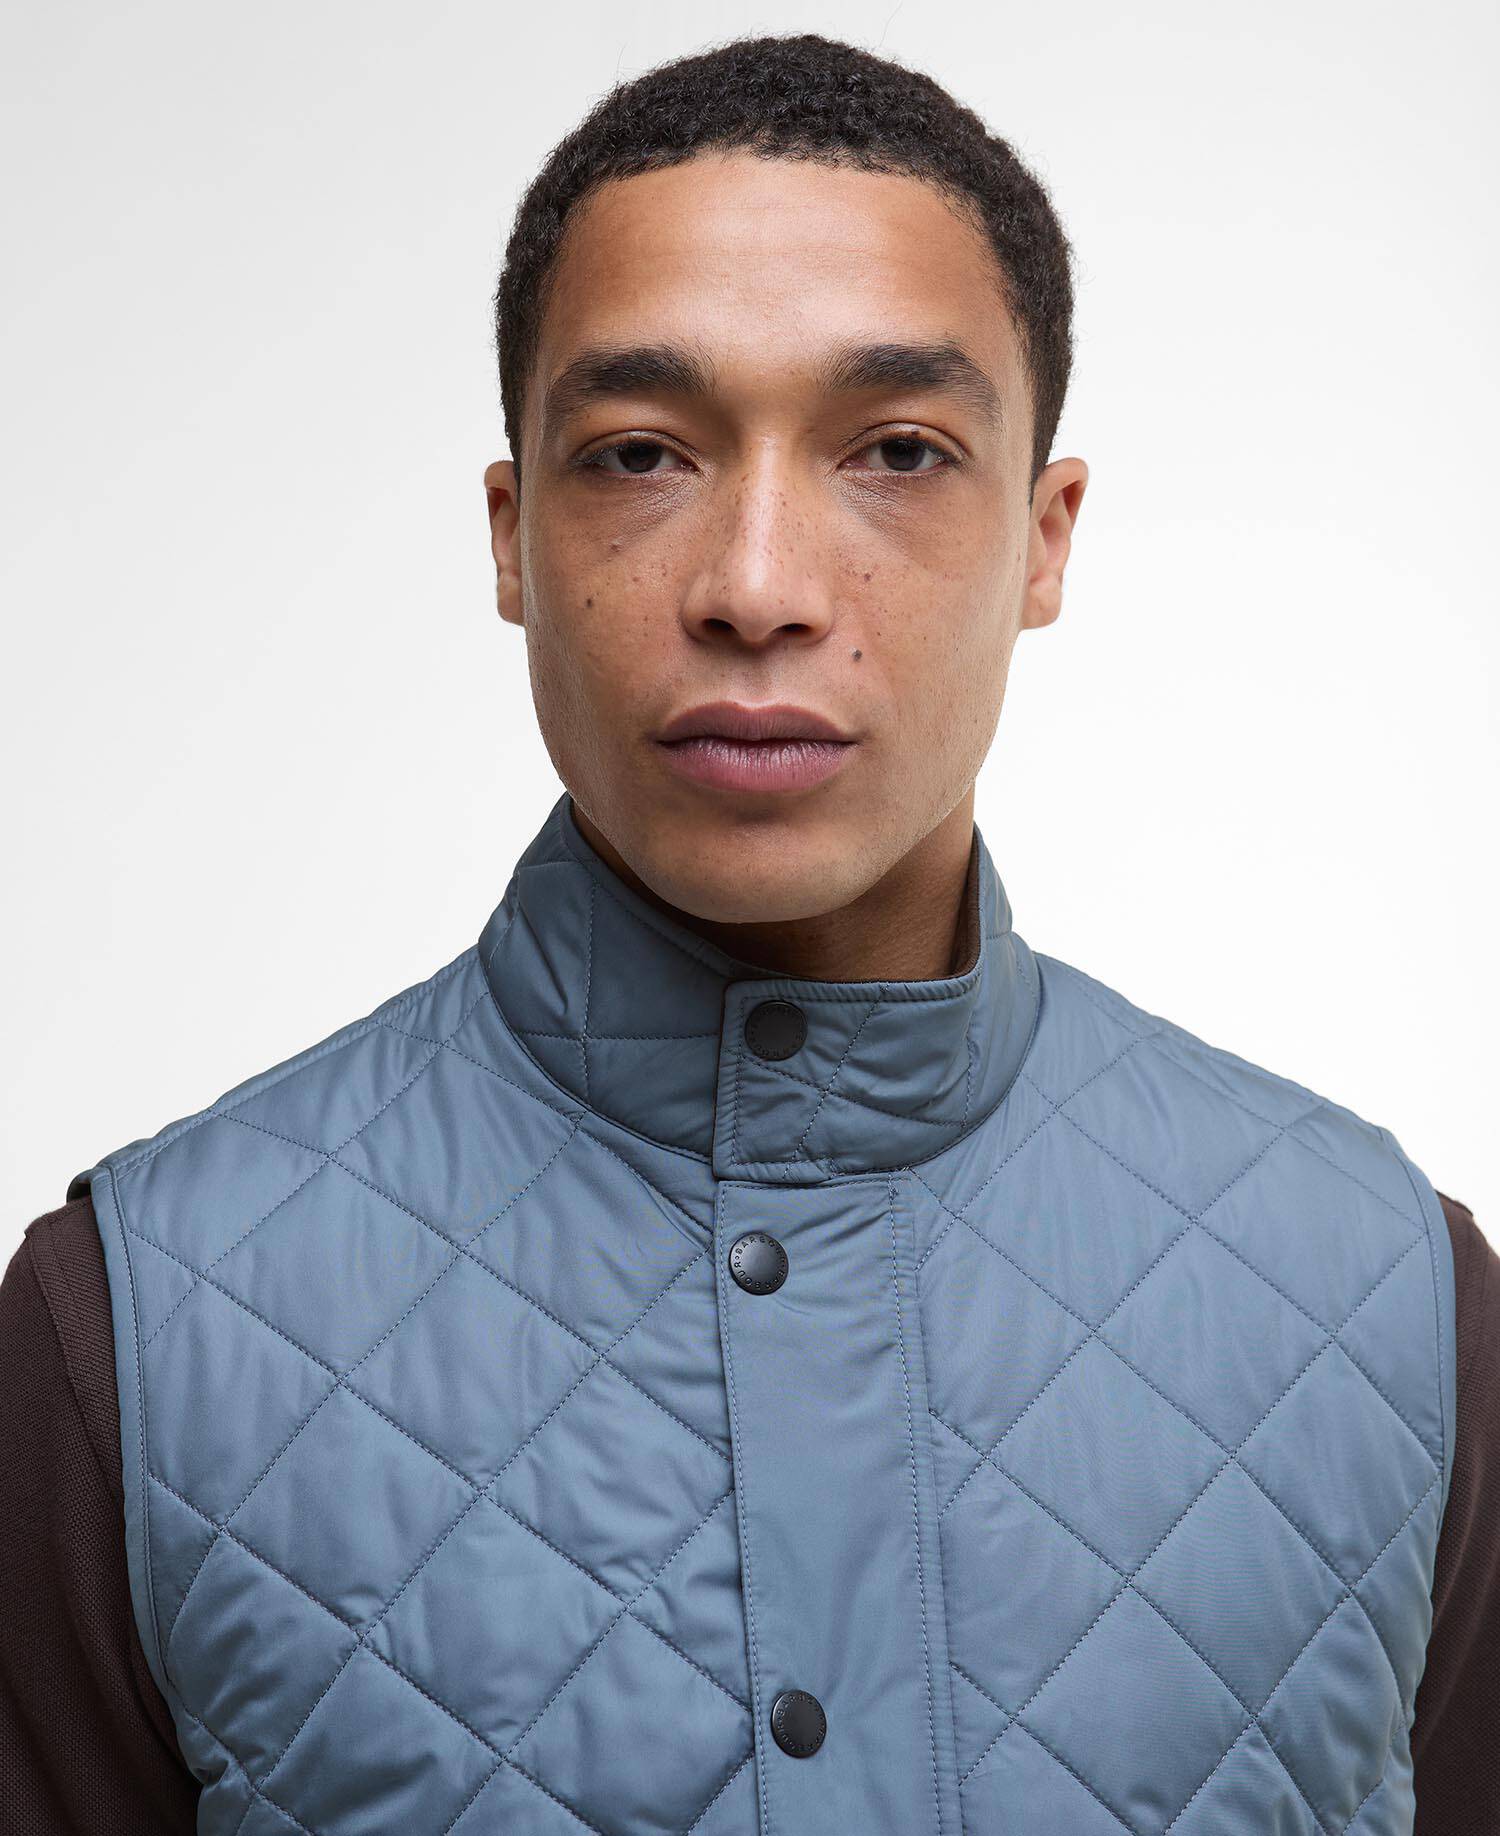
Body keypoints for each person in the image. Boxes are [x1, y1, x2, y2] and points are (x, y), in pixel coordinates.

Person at [2, 31, 1494, 1836]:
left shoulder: (1397, 1306)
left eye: (898, 451)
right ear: (511, 538)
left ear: (1046, 537)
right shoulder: (126, 1334)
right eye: (641, 453)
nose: (759, 586)